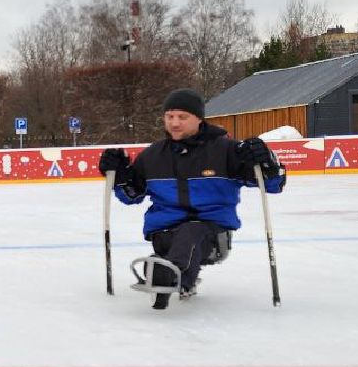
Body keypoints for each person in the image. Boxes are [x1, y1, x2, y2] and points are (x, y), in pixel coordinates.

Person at [98, 88, 286, 309]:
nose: (175, 123)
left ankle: (173, 276)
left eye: (182, 117)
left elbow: (273, 184)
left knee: (191, 231)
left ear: (199, 118)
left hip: (212, 236)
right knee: (178, 240)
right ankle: (164, 272)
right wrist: (119, 175)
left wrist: (267, 162)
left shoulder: (226, 150)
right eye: (170, 117)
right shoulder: (152, 155)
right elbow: (131, 195)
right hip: (164, 233)